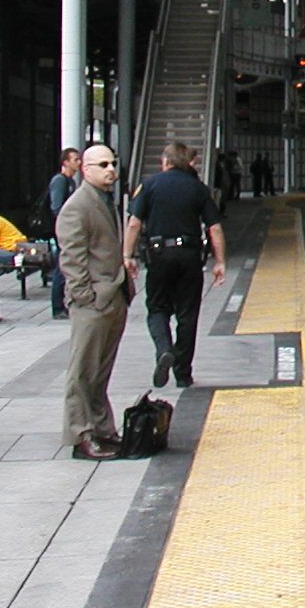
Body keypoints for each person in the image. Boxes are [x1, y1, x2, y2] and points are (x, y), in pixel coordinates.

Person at [124, 142, 226, 390]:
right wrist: (220, 261)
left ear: (166, 162)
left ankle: (163, 350)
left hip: (159, 255)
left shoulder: (149, 185)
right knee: (187, 314)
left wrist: (127, 255)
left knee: (157, 307)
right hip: (190, 256)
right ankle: (183, 374)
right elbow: (214, 228)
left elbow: (135, 223)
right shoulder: (199, 189)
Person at [56, 144, 130, 461]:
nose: (111, 169)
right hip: (94, 301)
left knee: (100, 371)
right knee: (82, 371)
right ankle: (81, 433)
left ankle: (101, 428)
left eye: (113, 163)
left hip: (112, 296)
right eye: (103, 164)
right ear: (86, 170)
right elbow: (72, 258)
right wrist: (86, 296)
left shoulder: (105, 200)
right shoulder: (77, 206)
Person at [49, 148, 82, 319]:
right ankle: (57, 306)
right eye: (75, 159)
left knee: (65, 267)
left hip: (68, 228)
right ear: (66, 162)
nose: (79, 163)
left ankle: (63, 303)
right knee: (61, 268)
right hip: (63, 230)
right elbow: (56, 207)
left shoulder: (71, 182)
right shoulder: (60, 181)